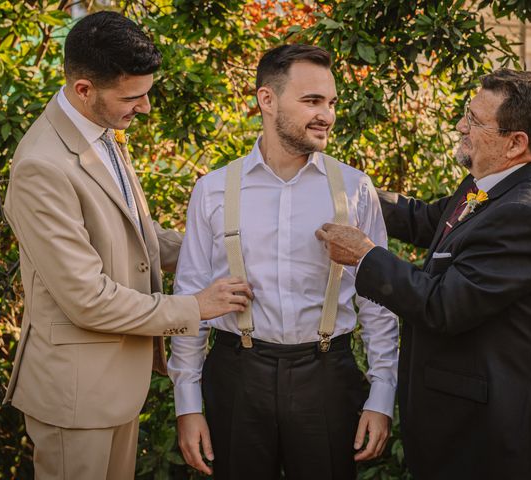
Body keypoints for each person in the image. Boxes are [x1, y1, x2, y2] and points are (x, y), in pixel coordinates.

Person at [3, 11, 251, 480]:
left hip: (114, 386)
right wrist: (195, 306)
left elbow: (139, 238)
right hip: (75, 397)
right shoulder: (42, 166)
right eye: (133, 97)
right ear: (84, 90)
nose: (146, 108)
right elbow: (86, 299)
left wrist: (223, 245)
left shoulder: (99, 132)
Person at [316, 68, 531, 480]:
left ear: (516, 143)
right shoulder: (499, 182)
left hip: (486, 432)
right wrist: (350, 191)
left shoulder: (526, 213)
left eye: (474, 120)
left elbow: (444, 305)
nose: (461, 125)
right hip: (460, 415)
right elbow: (428, 220)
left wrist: (365, 257)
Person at [168, 44, 398, 480]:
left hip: (329, 374)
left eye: (330, 103)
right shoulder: (214, 190)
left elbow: (378, 302)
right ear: (266, 100)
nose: (326, 115)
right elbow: (190, 302)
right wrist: (188, 404)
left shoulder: (354, 188)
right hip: (237, 374)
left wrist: (381, 395)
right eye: (312, 101)